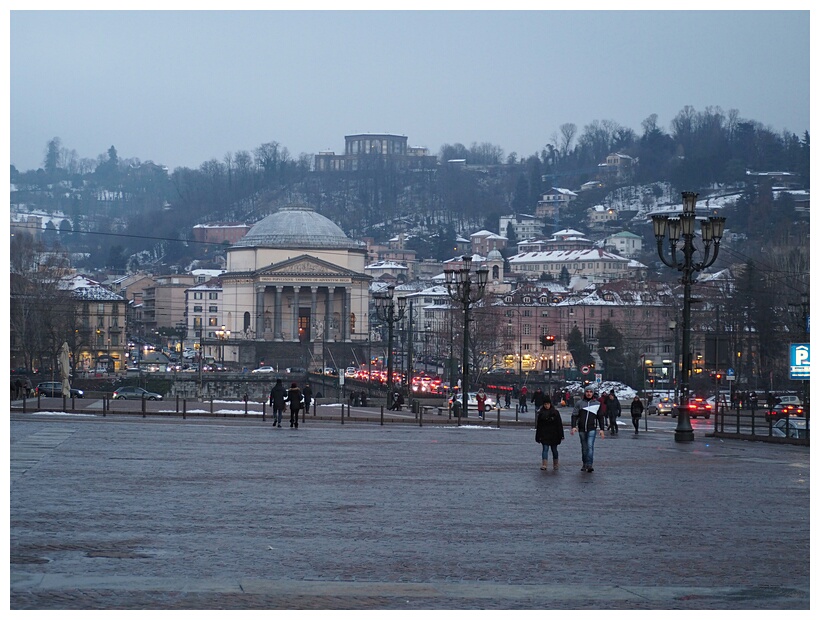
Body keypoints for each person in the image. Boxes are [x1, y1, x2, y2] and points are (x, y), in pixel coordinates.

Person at [571, 387, 607, 472]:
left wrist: (602, 429)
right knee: (584, 447)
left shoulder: (597, 404)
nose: (589, 393)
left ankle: (589, 464)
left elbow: (600, 417)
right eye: (587, 391)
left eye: (591, 392)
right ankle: (584, 463)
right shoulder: (579, 403)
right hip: (582, 428)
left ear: (593, 393)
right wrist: (573, 426)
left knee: (590, 446)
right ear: (584, 393)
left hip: (592, 428)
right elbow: (574, 415)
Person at [535, 398, 564, 470]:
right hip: (544, 434)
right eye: (545, 404)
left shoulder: (555, 413)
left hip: (554, 434)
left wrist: (561, 435)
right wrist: (538, 436)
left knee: (554, 449)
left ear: (550, 404)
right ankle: (544, 464)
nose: (546, 406)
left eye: (547, 404)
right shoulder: (541, 413)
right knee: (545, 449)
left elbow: (559, 424)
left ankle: (556, 464)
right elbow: (539, 426)